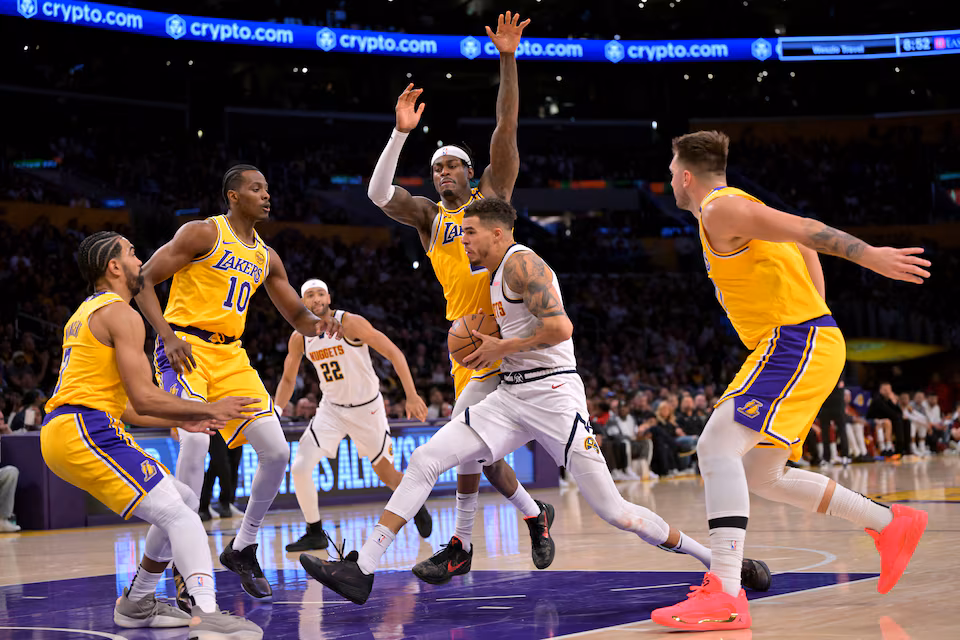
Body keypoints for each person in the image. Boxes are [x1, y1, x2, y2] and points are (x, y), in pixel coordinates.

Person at [299, 198, 770, 605]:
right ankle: (362, 567)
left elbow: (562, 328)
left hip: (553, 395)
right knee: (424, 458)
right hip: (511, 394)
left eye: (469, 232)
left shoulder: (524, 264)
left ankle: (721, 561)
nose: (462, 239)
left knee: (615, 511)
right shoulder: (494, 273)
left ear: (498, 232)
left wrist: (500, 347)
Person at [653, 131, 930, 631]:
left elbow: (808, 228)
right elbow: (801, 244)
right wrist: (819, 307)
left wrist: (869, 255)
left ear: (686, 176)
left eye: (671, 171)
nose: (669, 178)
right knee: (761, 474)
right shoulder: (736, 207)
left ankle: (726, 591)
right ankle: (891, 524)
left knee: (715, 446)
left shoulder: (720, 209)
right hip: (800, 337)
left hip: (793, 339)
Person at [365, 11, 553, 583]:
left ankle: (469, 539)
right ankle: (526, 516)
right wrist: (400, 132)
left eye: (452, 165)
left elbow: (506, 128)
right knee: (473, 449)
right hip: (466, 341)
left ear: (472, 175)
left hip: (515, 328)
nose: (443, 171)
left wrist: (507, 59)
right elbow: (377, 194)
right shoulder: (427, 217)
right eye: (437, 166)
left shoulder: (489, 199)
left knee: (472, 443)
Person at [40, 231, 262, 637]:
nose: (139, 259)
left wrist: (182, 420)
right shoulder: (122, 314)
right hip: (84, 429)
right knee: (181, 515)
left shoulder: (88, 312)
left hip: (82, 427)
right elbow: (143, 398)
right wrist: (209, 408)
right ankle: (207, 612)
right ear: (114, 267)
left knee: (183, 498)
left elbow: (123, 404)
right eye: (131, 251)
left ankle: (137, 601)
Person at [135, 165, 341, 601]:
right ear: (233, 196)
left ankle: (243, 546)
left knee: (277, 450)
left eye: (267, 188)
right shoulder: (203, 233)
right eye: (256, 188)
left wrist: (324, 324)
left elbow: (297, 317)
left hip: (231, 357)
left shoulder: (267, 257)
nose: (266, 195)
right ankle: (180, 565)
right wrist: (167, 336)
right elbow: (143, 280)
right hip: (186, 346)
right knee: (193, 444)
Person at [275, 279, 432, 552]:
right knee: (300, 467)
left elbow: (393, 352)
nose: (316, 299)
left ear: (329, 298)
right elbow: (288, 379)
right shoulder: (299, 337)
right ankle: (315, 532)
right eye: (309, 295)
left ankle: (415, 503)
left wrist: (411, 394)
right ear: (302, 303)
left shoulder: (349, 323)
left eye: (320, 293)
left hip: (367, 408)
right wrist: (275, 412)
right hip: (332, 410)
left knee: (386, 474)